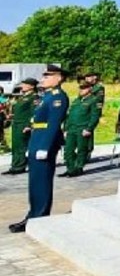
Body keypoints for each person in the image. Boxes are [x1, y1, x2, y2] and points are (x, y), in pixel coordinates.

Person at [9, 64, 69, 233]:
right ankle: (33, 214)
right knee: (35, 182)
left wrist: (45, 146)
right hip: (37, 140)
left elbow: (54, 123)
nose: (43, 79)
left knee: (42, 182)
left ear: (59, 78)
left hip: (45, 143)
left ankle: (40, 216)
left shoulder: (58, 97)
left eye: (47, 76)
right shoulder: (46, 96)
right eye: (44, 76)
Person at [61, 78, 101, 177]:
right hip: (71, 128)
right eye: (80, 88)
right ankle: (70, 168)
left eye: (84, 88)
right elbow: (69, 116)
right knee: (68, 150)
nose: (81, 90)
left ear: (90, 88)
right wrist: (65, 129)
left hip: (82, 128)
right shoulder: (76, 101)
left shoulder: (94, 100)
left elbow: (95, 116)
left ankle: (78, 168)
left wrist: (89, 128)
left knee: (82, 150)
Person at [3, 78, 39, 175]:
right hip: (16, 123)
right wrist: (12, 116)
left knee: (21, 146)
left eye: (24, 84)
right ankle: (15, 165)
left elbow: (34, 112)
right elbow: (21, 110)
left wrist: (29, 125)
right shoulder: (23, 97)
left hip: (23, 124)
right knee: (15, 146)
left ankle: (20, 166)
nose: (22, 86)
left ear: (31, 86)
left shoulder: (34, 97)